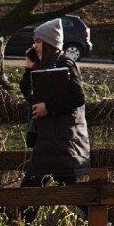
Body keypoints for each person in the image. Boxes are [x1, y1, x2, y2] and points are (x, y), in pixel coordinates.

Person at [20, 18, 90, 188]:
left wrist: (48, 108)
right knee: (68, 192)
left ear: (49, 43)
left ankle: (106, 215)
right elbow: (30, 96)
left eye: (38, 41)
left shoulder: (65, 65)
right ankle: (106, 215)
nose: (34, 46)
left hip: (62, 145)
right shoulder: (46, 66)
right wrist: (29, 69)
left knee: (29, 195)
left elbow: (78, 97)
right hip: (50, 145)